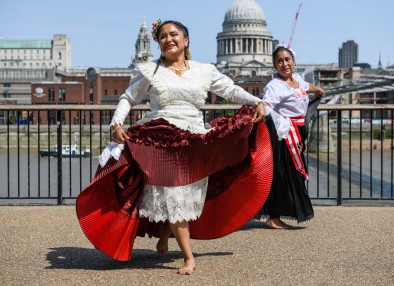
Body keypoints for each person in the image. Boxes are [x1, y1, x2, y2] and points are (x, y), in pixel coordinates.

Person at [76, 20, 274, 275]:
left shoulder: (204, 70)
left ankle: (165, 235)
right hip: (161, 139)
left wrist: (256, 100)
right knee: (174, 194)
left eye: (174, 34)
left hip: (193, 140)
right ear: (158, 43)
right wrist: (116, 124)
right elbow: (128, 98)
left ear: (186, 40)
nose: (168, 39)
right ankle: (189, 257)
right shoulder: (150, 71)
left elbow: (230, 90)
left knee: (187, 195)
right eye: (163, 36)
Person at [260, 44, 325, 229]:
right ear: (275, 65)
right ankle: (274, 217)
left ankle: (277, 215)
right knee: (284, 174)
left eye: (287, 60)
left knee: (292, 173)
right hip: (285, 135)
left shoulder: (297, 80)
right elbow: (266, 105)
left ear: (294, 62)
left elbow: (306, 87)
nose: (284, 64)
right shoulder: (274, 86)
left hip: (298, 132)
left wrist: (318, 90)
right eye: (279, 61)